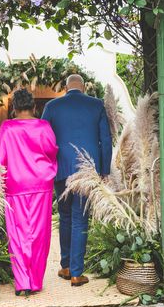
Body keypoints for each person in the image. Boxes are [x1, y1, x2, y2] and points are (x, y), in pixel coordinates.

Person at [41, 74, 112, 287]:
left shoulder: (52, 106)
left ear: (65, 87)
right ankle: (76, 272)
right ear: (83, 87)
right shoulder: (96, 105)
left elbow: (43, 138)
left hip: (61, 168)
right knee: (80, 218)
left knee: (65, 216)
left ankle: (65, 266)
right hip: (87, 169)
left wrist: (48, 164)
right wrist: (104, 170)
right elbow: (105, 140)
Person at [0, 89, 58, 296]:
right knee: (40, 234)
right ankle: (36, 281)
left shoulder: (7, 127)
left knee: (16, 232)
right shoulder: (44, 126)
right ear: (34, 107)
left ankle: (22, 281)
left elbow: (0, 159)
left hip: (15, 184)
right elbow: (51, 150)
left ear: (14, 108)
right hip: (40, 184)